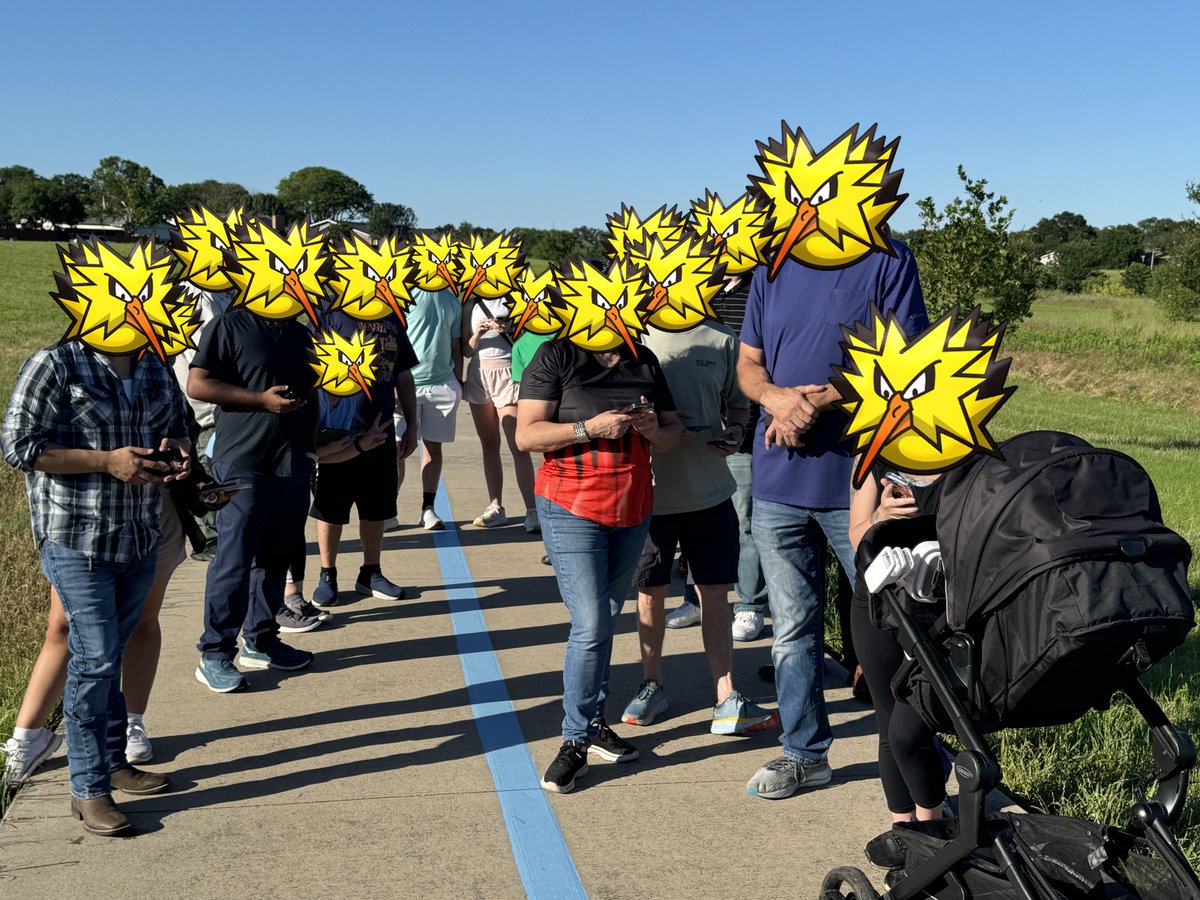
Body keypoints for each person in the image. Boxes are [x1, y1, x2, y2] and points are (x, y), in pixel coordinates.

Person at [738, 239, 928, 799]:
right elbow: (749, 365)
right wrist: (776, 398)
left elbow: (904, 365)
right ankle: (805, 754)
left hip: (860, 483)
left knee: (897, 625)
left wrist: (813, 403)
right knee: (793, 630)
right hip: (777, 482)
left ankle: (921, 755)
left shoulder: (889, 260)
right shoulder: (772, 265)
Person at [2, 339, 189, 835]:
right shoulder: (55, 363)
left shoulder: (154, 363)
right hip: (75, 537)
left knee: (111, 651)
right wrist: (106, 460)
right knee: (97, 657)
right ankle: (88, 789)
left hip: (140, 534)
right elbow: (19, 446)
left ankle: (112, 763)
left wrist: (179, 453)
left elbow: (179, 426)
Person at [517, 338, 683, 793]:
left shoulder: (643, 358)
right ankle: (574, 740)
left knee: (605, 620)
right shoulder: (557, 354)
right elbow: (526, 434)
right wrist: (588, 428)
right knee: (590, 625)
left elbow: (672, 436)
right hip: (570, 507)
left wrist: (649, 429)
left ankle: (591, 723)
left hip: (631, 511)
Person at [622, 318, 779, 735]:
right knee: (649, 591)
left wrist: (736, 429)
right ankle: (651, 683)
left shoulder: (723, 339)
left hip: (710, 490)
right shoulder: (630, 334)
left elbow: (740, 404)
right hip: (650, 492)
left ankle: (726, 694)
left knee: (713, 592)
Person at [188, 305, 318, 691]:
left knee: (277, 554)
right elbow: (197, 384)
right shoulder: (230, 324)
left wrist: (310, 453)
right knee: (234, 558)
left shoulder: (299, 332)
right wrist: (261, 400)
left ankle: (261, 640)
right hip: (243, 459)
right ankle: (215, 652)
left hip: (293, 460)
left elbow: (315, 392)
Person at [664, 273, 770, 641]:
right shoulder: (692, 291)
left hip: (741, 438)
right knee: (689, 525)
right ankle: (694, 601)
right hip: (677, 451)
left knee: (742, 523)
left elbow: (753, 369)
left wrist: (740, 426)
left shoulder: (759, 286)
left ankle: (749, 605)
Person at [849, 462, 947, 832]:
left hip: (938, 606)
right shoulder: (879, 457)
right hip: (877, 602)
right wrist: (880, 516)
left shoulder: (969, 459)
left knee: (915, 723)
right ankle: (907, 832)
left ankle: (932, 827)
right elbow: (857, 537)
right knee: (890, 719)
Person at [307, 306, 419, 606]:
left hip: (380, 426)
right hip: (338, 430)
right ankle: (327, 574)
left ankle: (371, 572)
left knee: (376, 506)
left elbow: (403, 375)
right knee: (330, 507)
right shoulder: (329, 311)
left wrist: (412, 424)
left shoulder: (391, 316)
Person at [461, 295, 537, 531]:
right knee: (489, 444)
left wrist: (510, 328)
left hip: (507, 371)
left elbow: (527, 340)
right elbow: (466, 349)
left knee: (518, 445)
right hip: (479, 373)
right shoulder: (470, 304)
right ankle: (495, 506)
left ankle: (533, 510)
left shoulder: (514, 297)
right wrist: (477, 334)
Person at [398, 286, 462, 530]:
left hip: (441, 384)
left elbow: (456, 347)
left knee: (433, 449)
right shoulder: (404, 293)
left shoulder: (451, 298)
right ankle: (388, 510)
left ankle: (428, 509)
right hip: (406, 384)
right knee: (396, 450)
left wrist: (458, 381)